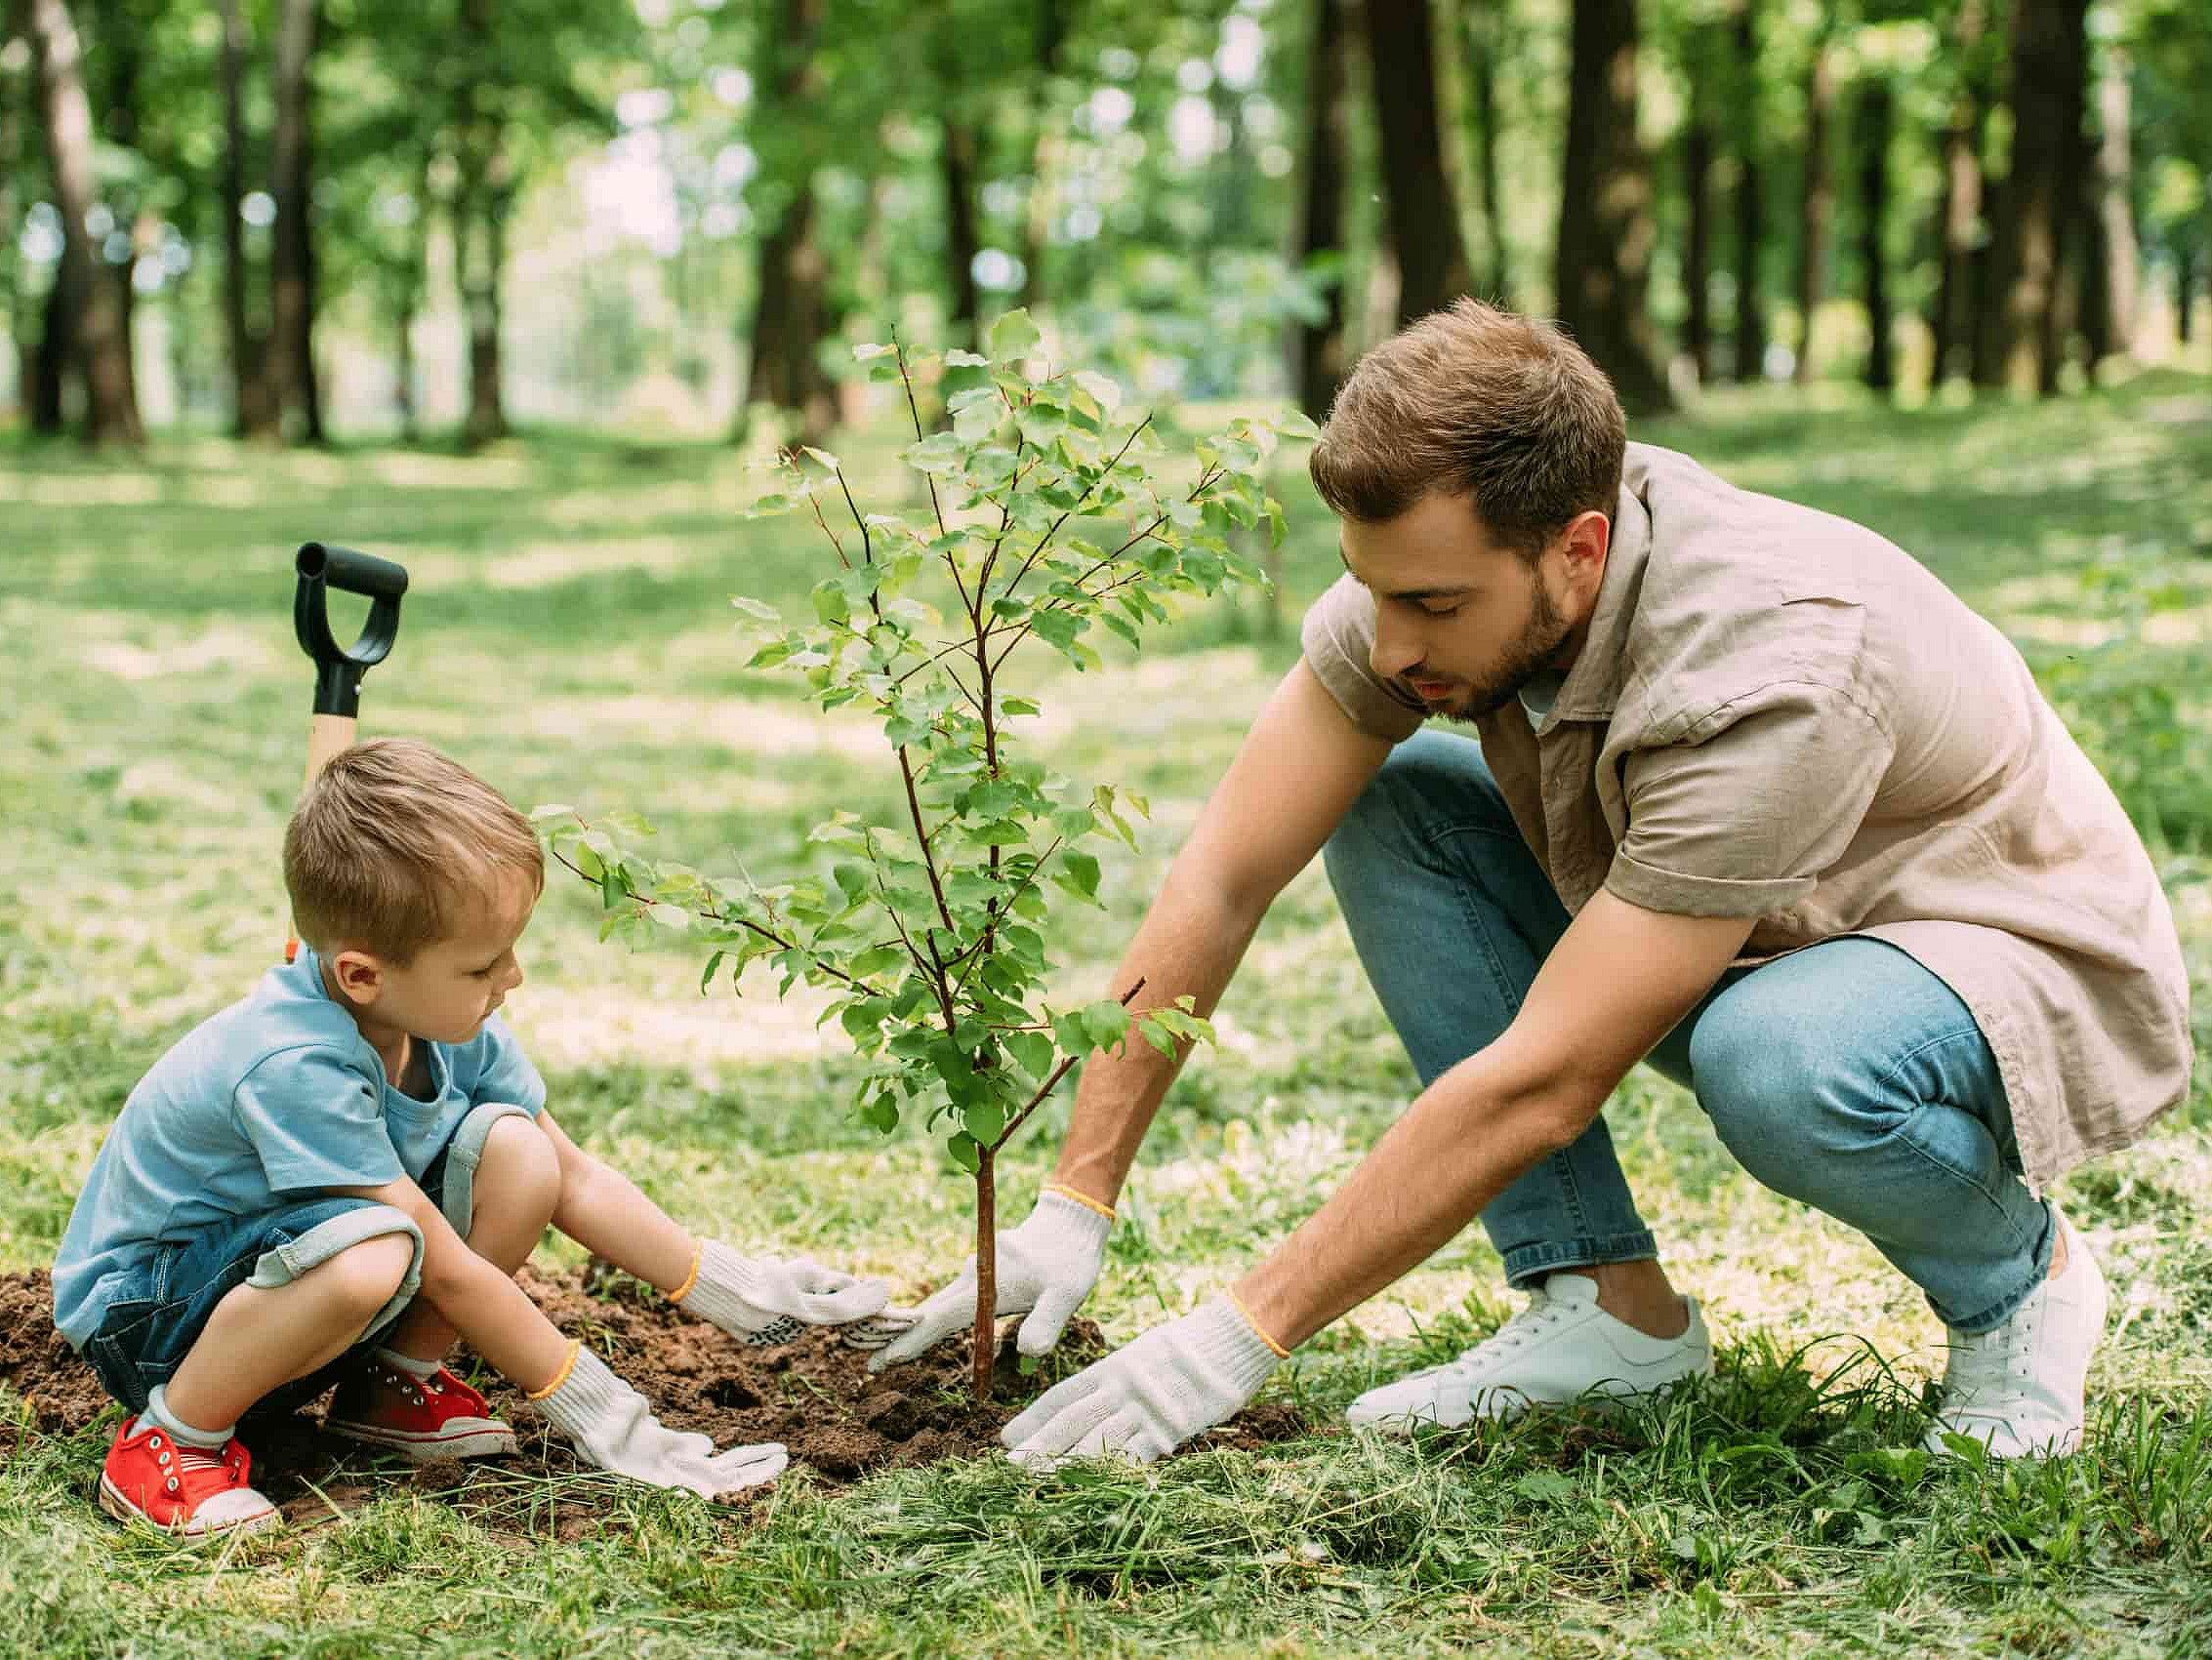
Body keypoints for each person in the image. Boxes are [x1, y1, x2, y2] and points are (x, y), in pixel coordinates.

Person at [870, 300, 2192, 1470]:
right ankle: (1606, 1313)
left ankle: (2018, 1287)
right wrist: (1072, 1199)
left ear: (1575, 548)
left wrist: (1235, 1333)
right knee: (1396, 809)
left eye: (1434, 608)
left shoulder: (1769, 667)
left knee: (1773, 1056)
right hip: (1754, 917)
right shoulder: (1425, 584)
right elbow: (1222, 872)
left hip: (1987, 952)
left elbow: (1549, 1075)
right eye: (1368, 592)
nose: (1391, 646)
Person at [53, 738, 889, 1538]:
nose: (511, 977)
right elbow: (444, 1269)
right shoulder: (294, 1062)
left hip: (276, 1290)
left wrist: (734, 1291)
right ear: (362, 975)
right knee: (382, 1244)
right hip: (152, 1320)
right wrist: (606, 1411)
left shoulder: (439, 1018)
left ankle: (389, 1388)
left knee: (519, 1153)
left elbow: (573, 1176)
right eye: (484, 964)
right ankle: (170, 1444)